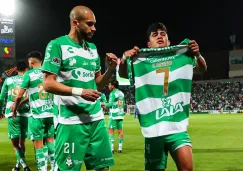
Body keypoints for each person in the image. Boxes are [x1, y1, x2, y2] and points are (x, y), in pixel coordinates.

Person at [119, 22, 207, 171]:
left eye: (162, 34)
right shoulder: (140, 60)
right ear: (149, 43)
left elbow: (202, 69)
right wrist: (123, 58)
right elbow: (122, 74)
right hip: (154, 128)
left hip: (176, 125)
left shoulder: (181, 55)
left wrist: (197, 54)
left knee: (187, 168)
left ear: (169, 41)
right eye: (155, 35)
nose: (159, 36)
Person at [41, 5, 118, 171]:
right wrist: (80, 92)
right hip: (70, 121)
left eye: (94, 24)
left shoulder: (92, 49)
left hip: (96, 119)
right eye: (89, 24)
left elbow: (97, 83)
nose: (94, 28)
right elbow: (48, 83)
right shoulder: (57, 45)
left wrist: (110, 69)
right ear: (75, 23)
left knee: (103, 168)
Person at [12, 51, 55, 171]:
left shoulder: (29, 74)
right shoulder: (49, 72)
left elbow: (20, 94)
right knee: (50, 141)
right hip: (51, 113)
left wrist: (15, 108)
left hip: (37, 115)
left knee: (38, 145)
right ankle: (55, 168)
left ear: (31, 61)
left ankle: (43, 169)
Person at [0, 61, 31, 171]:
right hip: (26, 113)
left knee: (15, 144)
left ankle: (25, 166)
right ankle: (18, 166)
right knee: (22, 142)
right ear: (26, 68)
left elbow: (1, 97)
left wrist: (0, 111)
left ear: (16, 69)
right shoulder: (29, 79)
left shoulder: (8, 80)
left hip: (12, 113)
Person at [105, 80, 125, 153]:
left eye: (110, 85)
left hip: (114, 115)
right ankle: (120, 148)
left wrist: (103, 104)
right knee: (120, 131)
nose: (109, 86)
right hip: (120, 114)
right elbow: (123, 104)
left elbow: (110, 105)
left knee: (110, 131)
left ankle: (111, 148)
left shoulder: (112, 93)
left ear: (113, 86)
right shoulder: (121, 93)